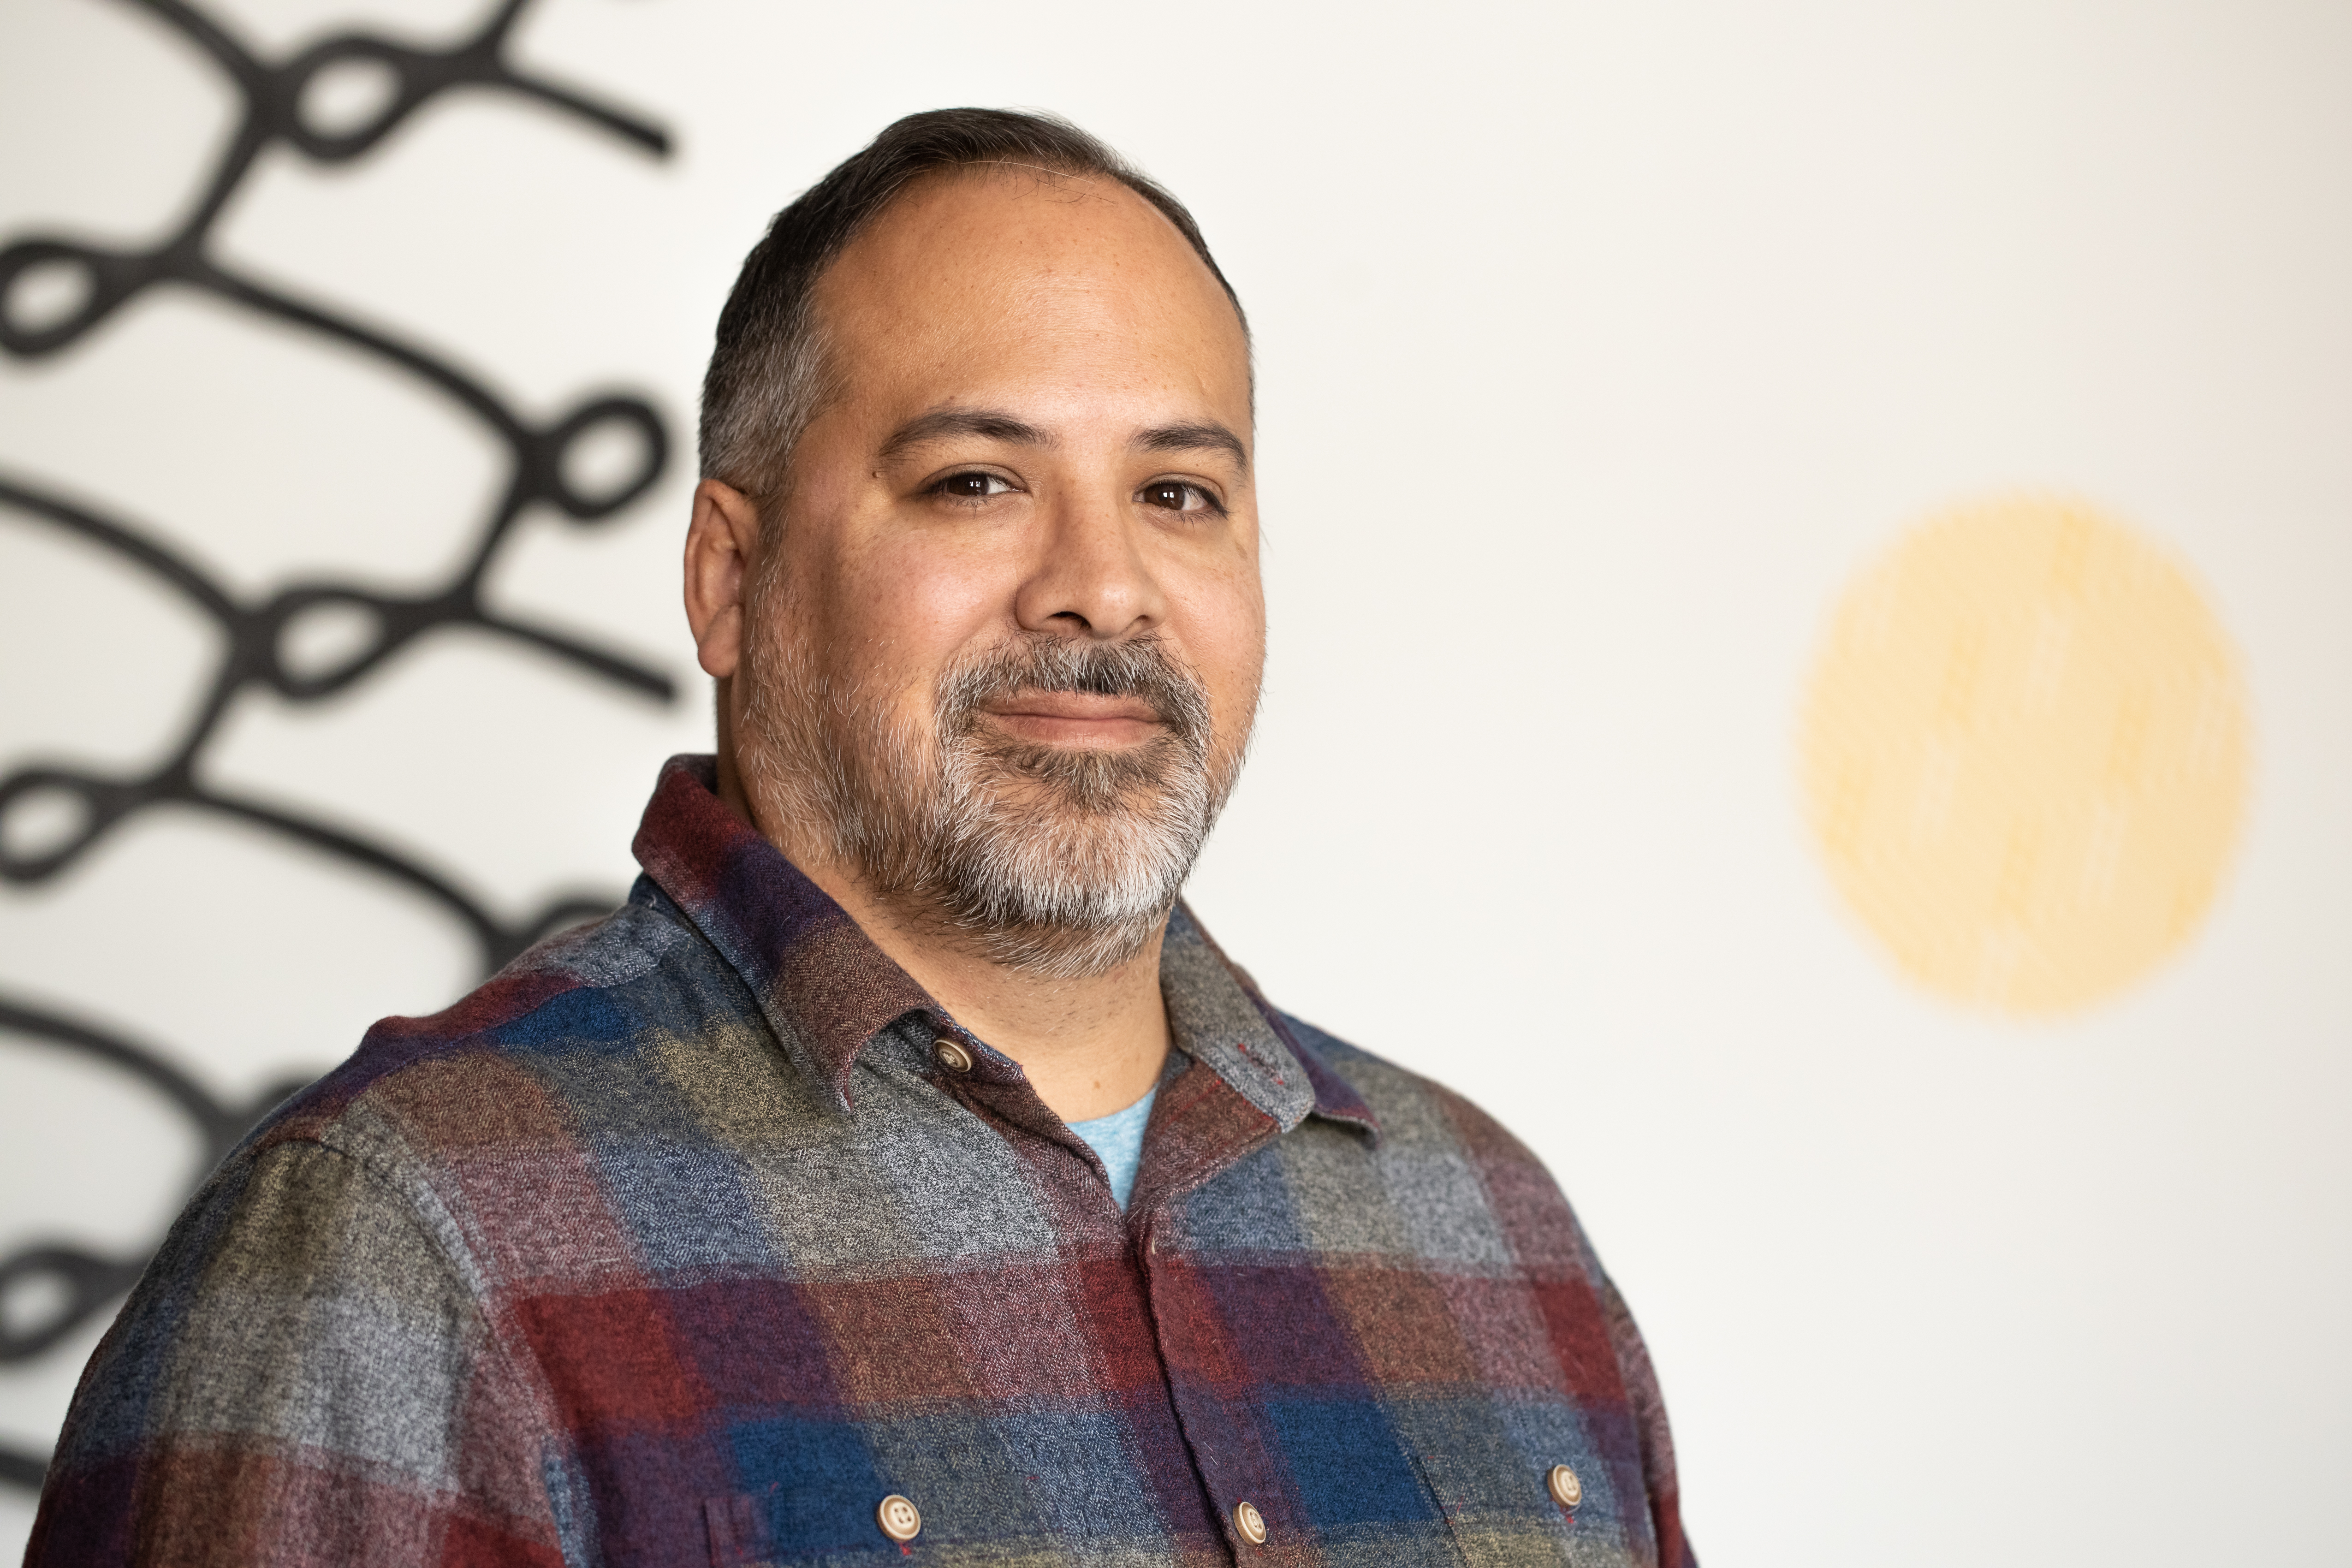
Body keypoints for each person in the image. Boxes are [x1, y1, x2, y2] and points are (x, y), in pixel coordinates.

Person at [29, 109, 1693, 1568]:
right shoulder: (404, 1251)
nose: (1100, 586)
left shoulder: (1492, 1234)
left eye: (1178, 494)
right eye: (976, 480)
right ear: (727, 581)